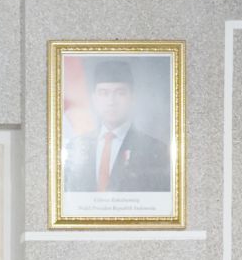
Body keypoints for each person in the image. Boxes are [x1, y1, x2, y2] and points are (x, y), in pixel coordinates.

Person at [63, 59, 171, 194]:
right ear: (94, 99)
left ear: (132, 97)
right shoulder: (74, 147)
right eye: (103, 93)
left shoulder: (156, 149)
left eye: (120, 93)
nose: (111, 101)